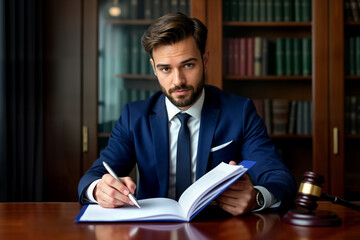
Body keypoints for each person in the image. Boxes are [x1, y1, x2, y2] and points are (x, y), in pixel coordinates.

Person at [78, 12, 297, 216]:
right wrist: (99, 190)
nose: (178, 81)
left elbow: (278, 177)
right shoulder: (134, 116)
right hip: (152, 232)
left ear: (205, 60)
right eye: (165, 69)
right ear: (153, 68)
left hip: (219, 230)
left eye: (188, 65)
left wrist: (257, 198)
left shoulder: (240, 112)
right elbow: (93, 176)